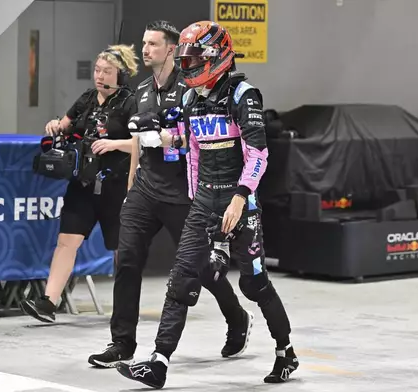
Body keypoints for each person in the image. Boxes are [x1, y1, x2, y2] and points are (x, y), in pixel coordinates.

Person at [116, 21, 299, 388]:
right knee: (181, 278)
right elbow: (192, 151)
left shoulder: (243, 95)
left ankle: (286, 351)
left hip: (238, 202)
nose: (189, 65)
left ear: (216, 56)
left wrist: (240, 198)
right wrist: (159, 138)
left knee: (254, 284)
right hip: (203, 201)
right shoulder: (190, 99)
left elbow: (259, 154)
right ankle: (159, 361)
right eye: (186, 59)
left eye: (195, 58)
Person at [87, 20, 253, 368]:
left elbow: (198, 142)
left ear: (172, 50)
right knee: (127, 261)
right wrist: (132, 185)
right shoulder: (143, 90)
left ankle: (237, 318)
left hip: (184, 195)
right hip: (145, 191)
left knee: (206, 270)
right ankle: (122, 342)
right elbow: (136, 143)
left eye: (152, 44)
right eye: (144, 43)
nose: (145, 49)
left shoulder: (192, 88)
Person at [20, 45, 139, 323]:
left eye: (107, 71)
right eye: (97, 70)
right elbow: (65, 124)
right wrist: (54, 125)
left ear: (121, 74)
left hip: (117, 187)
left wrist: (114, 144)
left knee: (124, 249)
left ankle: (125, 307)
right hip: (83, 185)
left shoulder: (131, 102)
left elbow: (144, 143)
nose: (100, 76)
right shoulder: (87, 98)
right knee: (66, 242)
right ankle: (48, 302)